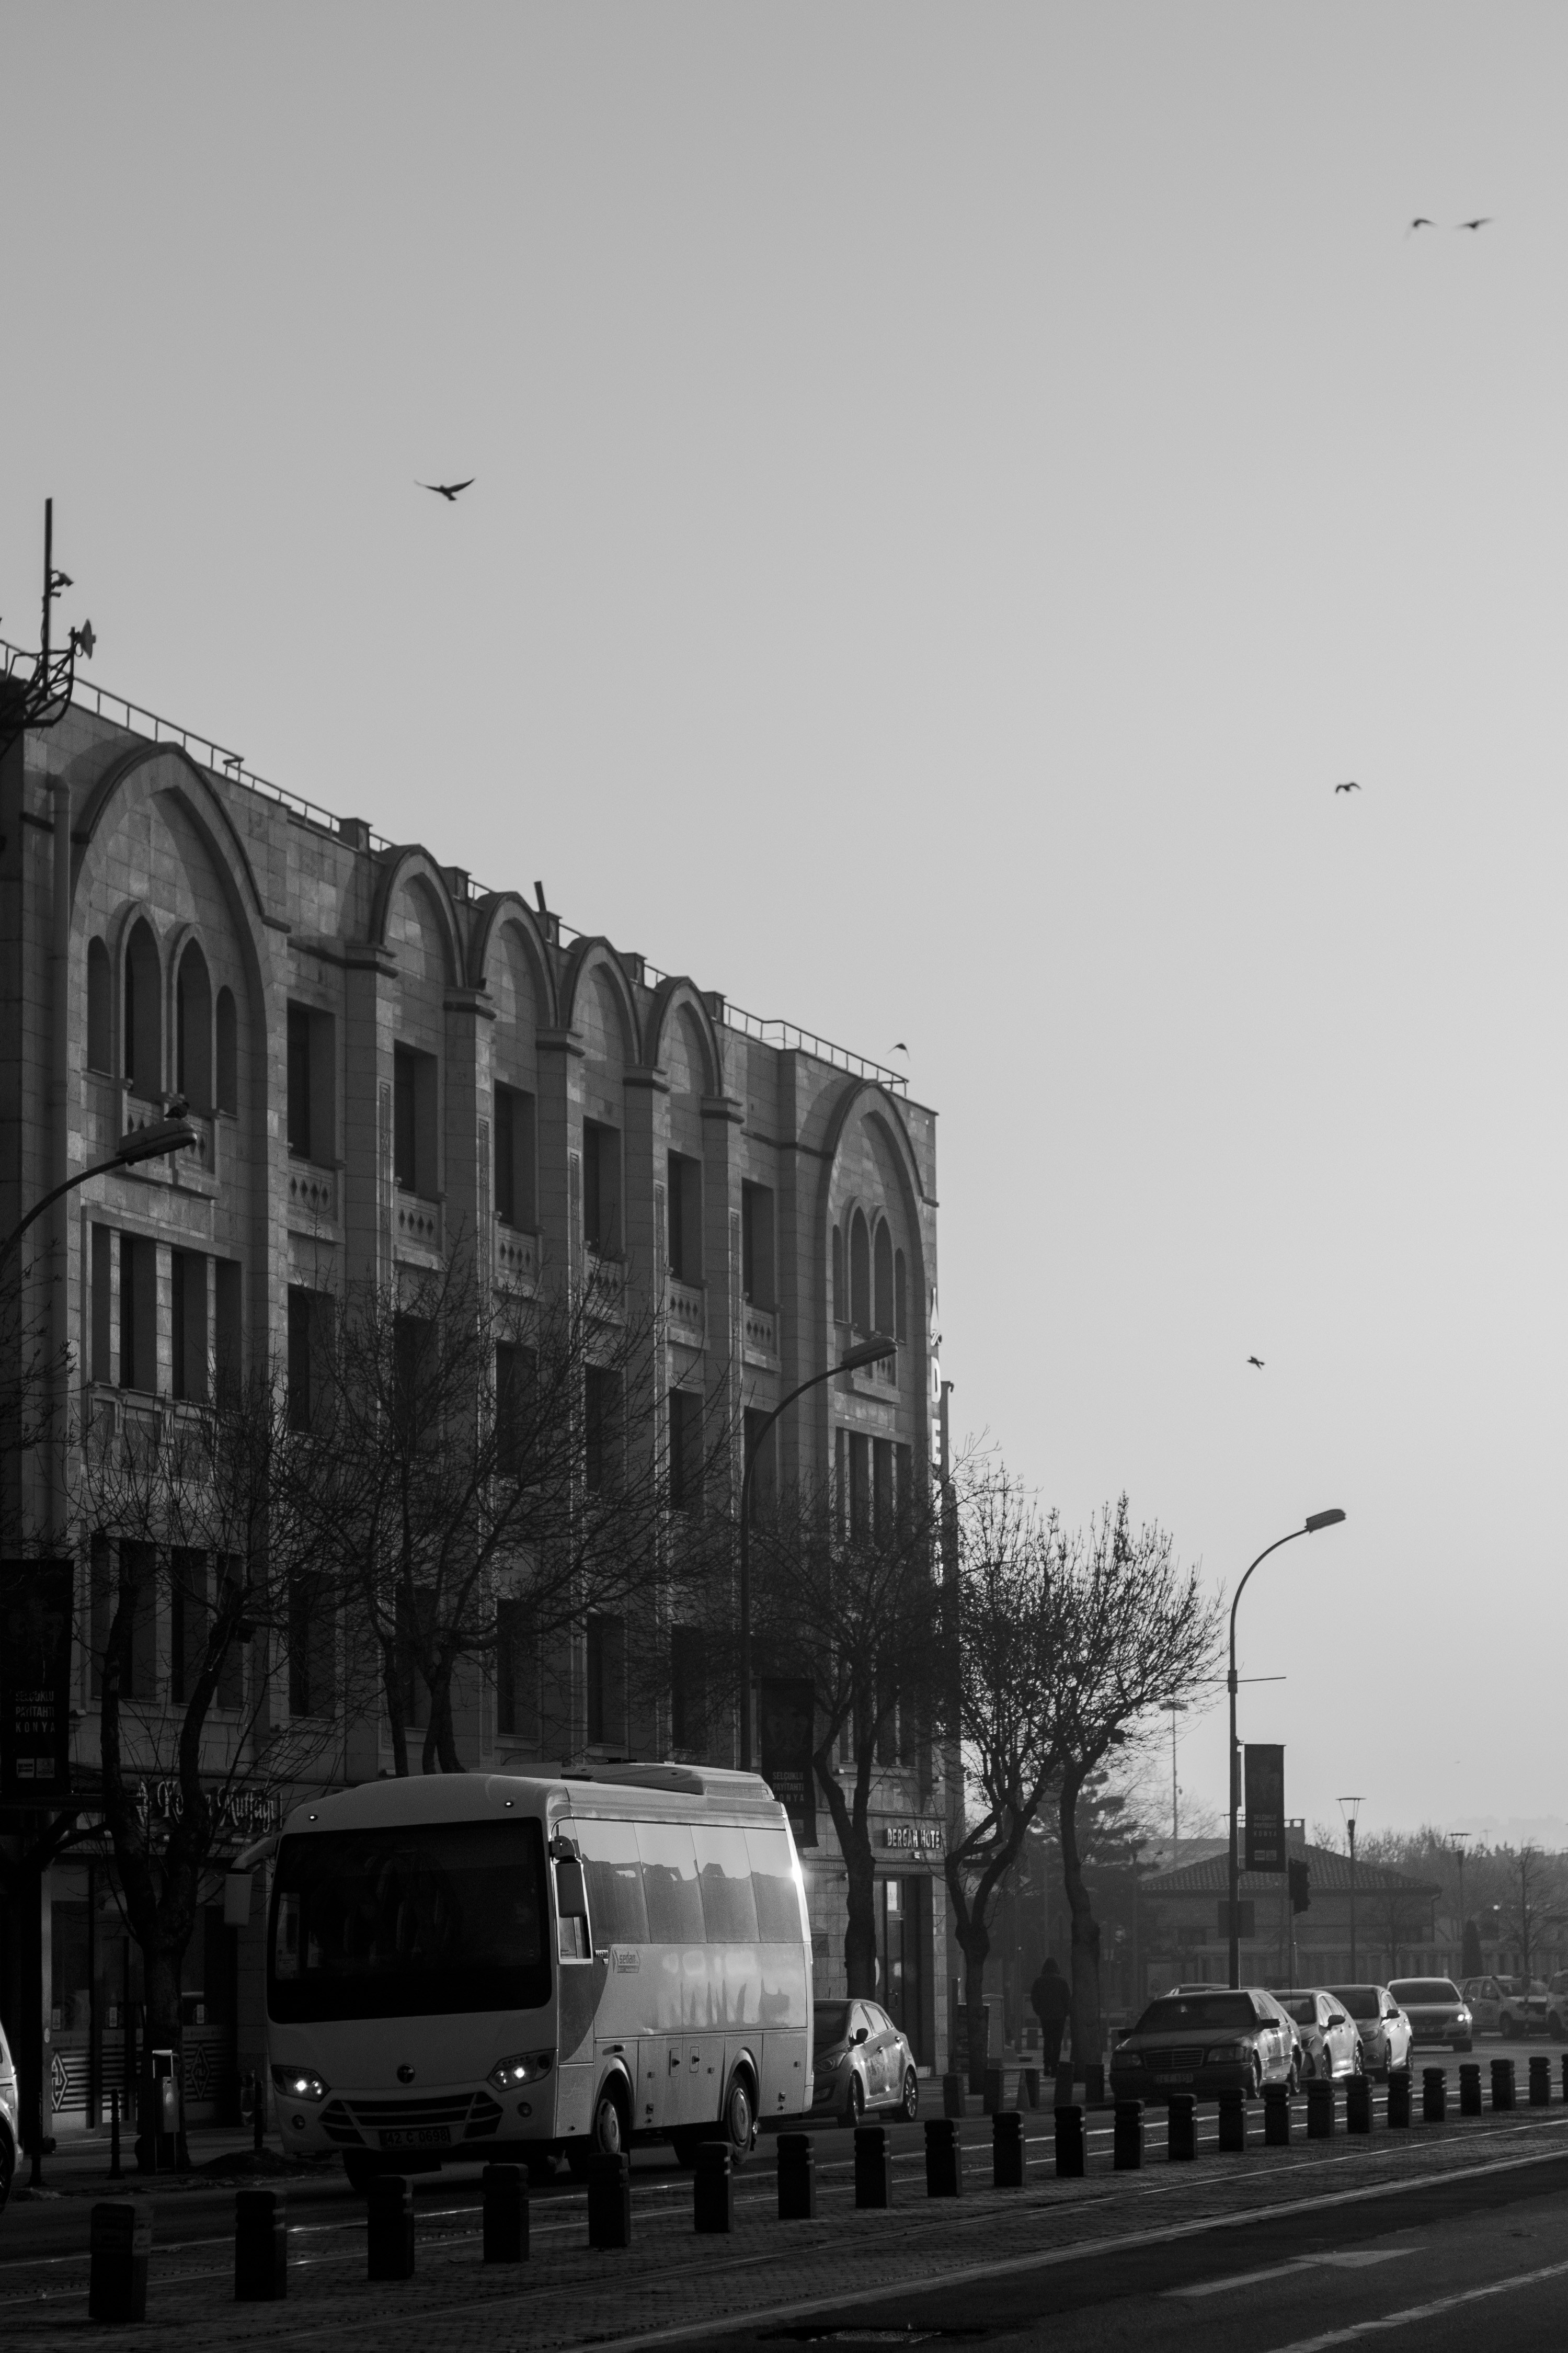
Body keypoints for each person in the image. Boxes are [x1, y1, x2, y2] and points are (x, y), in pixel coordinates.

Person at [1030, 1957, 1072, 2068]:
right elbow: (1067, 1998)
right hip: (1059, 2016)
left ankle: (1046, 2065)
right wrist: (1066, 2012)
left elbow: (1034, 1997)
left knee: (1047, 2040)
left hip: (1045, 2015)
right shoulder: (1062, 1982)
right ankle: (1055, 2065)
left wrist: (1038, 2011)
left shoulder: (1039, 1981)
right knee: (1057, 2042)